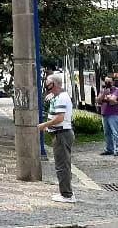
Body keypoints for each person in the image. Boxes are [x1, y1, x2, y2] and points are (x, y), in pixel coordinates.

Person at [38, 72, 75, 203]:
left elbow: (59, 118)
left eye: (48, 83)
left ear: (53, 84)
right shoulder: (56, 96)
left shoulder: (62, 98)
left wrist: (44, 125)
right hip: (59, 134)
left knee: (62, 165)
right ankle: (66, 192)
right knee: (62, 164)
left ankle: (67, 194)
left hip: (62, 134)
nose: (46, 85)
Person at [94, 76, 118, 156]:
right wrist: (104, 94)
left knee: (116, 133)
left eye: (109, 82)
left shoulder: (116, 90)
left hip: (114, 114)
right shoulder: (102, 90)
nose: (107, 84)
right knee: (107, 133)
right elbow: (97, 100)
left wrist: (106, 99)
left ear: (113, 82)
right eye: (106, 82)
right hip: (104, 113)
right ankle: (109, 149)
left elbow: (112, 100)